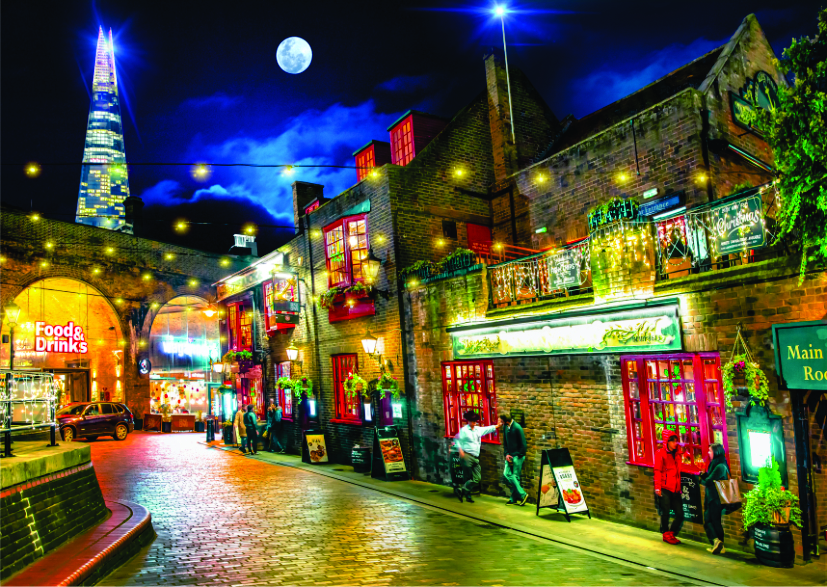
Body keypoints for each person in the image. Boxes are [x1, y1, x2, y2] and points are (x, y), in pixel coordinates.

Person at [453, 411, 502, 503]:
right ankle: (468, 496)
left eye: (475, 421)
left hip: (475, 456)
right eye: (473, 421)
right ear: (468, 421)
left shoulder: (477, 429)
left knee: (477, 478)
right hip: (466, 455)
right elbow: (458, 440)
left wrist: (497, 426)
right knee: (467, 476)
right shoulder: (464, 430)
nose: (474, 423)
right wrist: (460, 451)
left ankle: (462, 489)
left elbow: (487, 429)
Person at [654, 429, 683, 545]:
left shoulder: (677, 454)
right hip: (665, 487)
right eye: (673, 441)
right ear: (667, 442)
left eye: (676, 441)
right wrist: (657, 487)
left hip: (676, 488)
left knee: (680, 514)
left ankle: (671, 533)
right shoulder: (660, 453)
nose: (675, 443)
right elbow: (657, 470)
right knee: (665, 512)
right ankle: (666, 534)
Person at [700, 443, 729, 554]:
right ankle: (720, 546)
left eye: (710, 451)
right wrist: (704, 474)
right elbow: (709, 478)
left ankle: (717, 541)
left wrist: (701, 477)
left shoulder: (719, 466)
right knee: (715, 522)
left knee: (709, 521)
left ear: (716, 452)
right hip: (714, 498)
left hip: (715, 499)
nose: (709, 453)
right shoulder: (717, 464)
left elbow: (709, 481)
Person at [499, 413, 528, 506]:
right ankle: (522, 494)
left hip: (517, 456)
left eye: (502, 421)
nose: (501, 422)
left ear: (507, 421)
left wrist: (518, 455)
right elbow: (505, 442)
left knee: (515, 477)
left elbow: (523, 444)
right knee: (506, 474)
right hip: (509, 456)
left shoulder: (517, 428)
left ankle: (513, 498)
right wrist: (506, 454)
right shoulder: (505, 427)